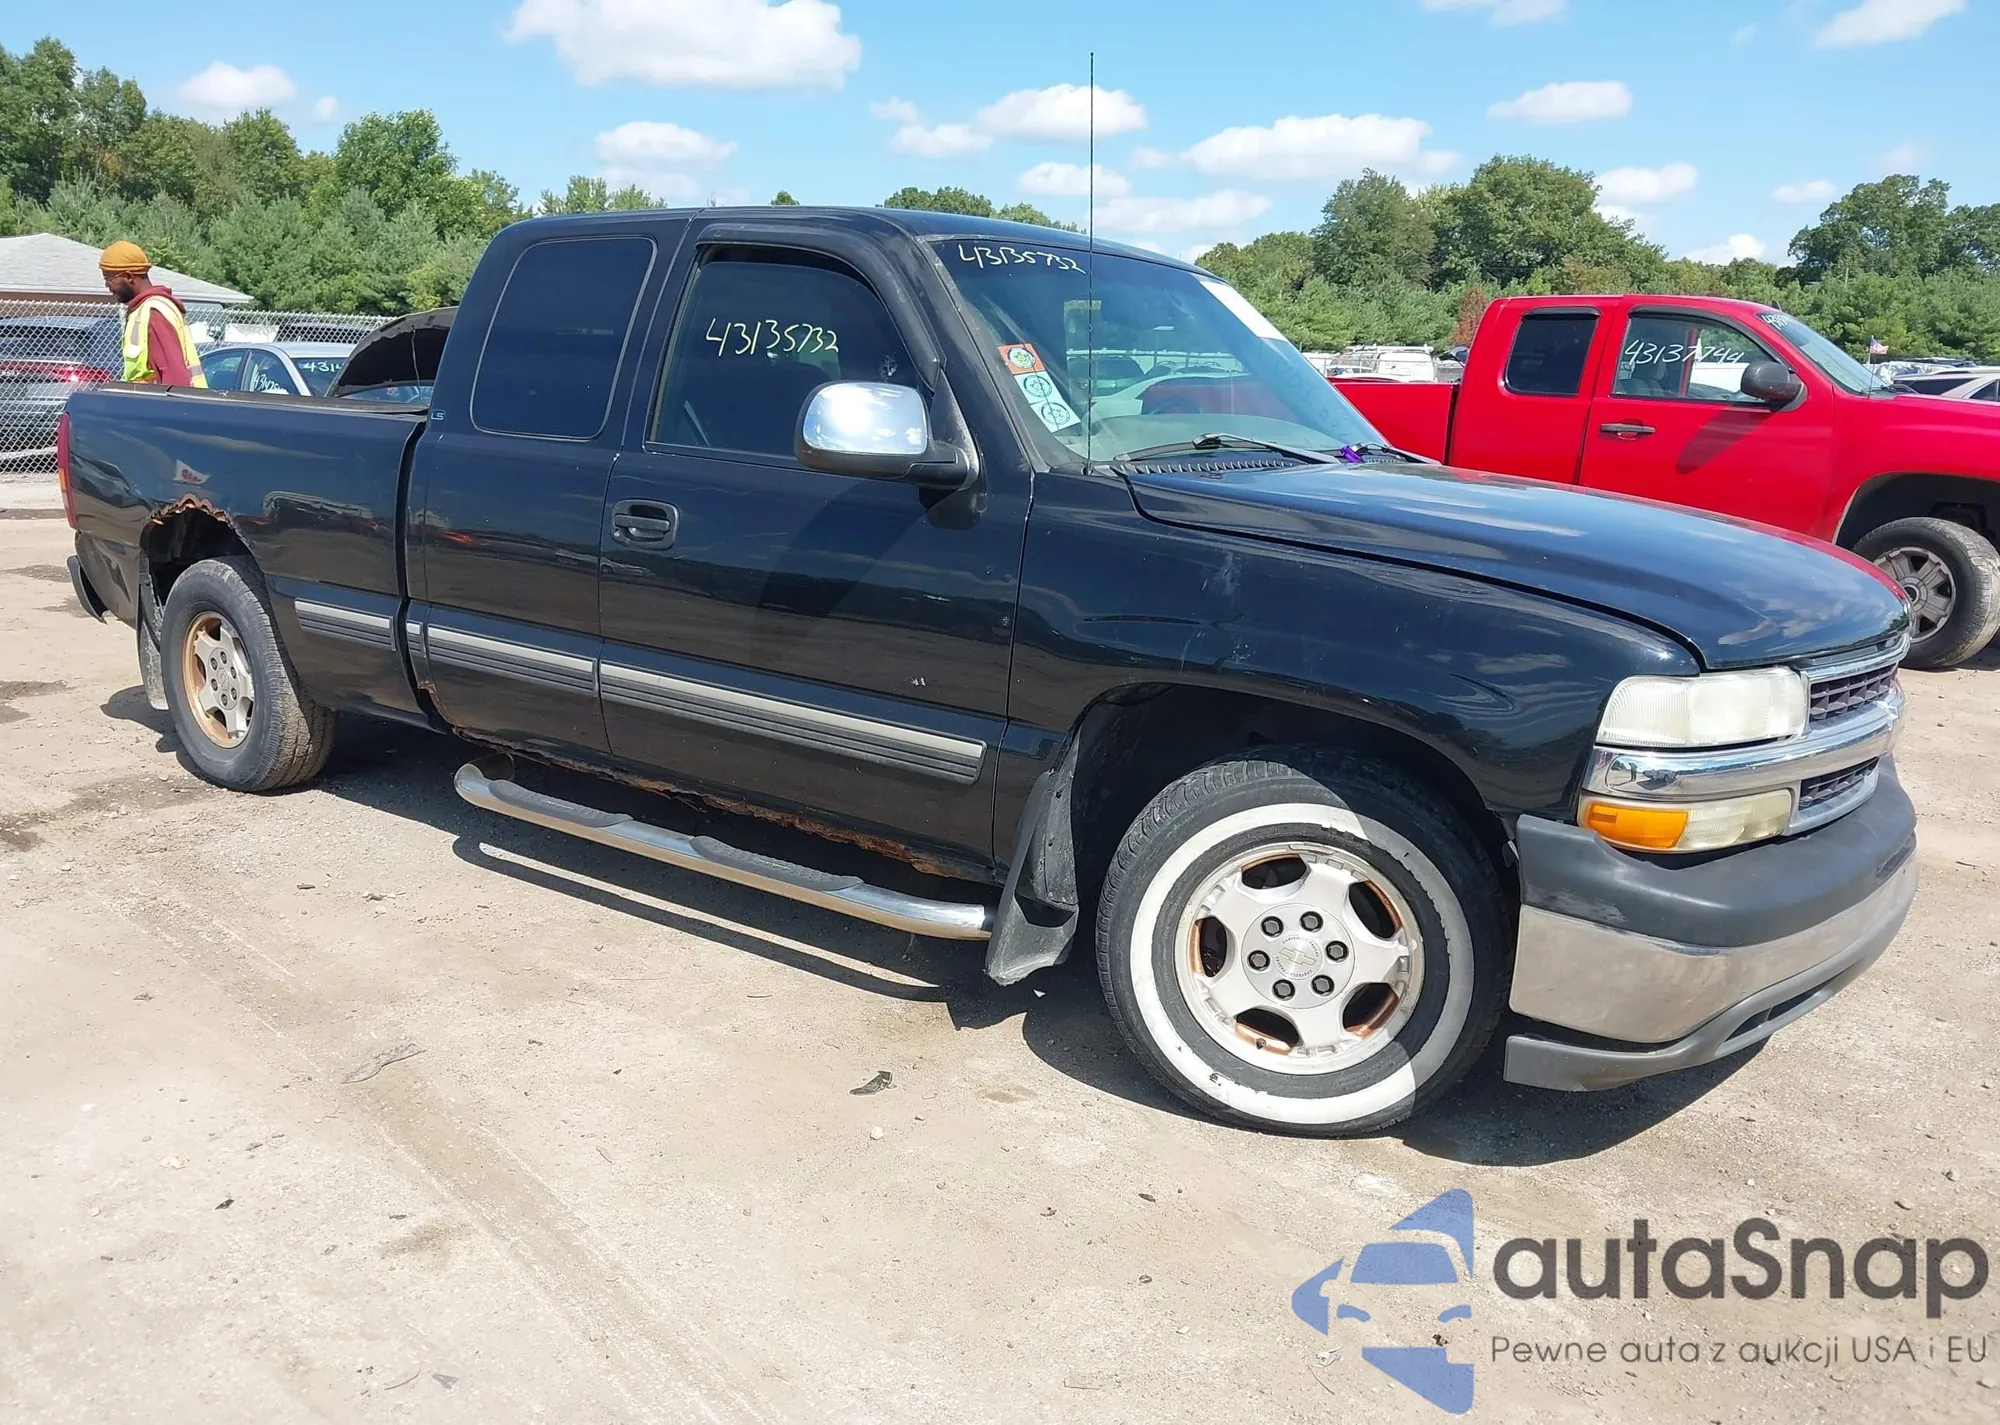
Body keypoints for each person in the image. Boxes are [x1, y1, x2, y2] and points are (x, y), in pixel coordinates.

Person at [98, 241, 207, 388]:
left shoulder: (154, 312)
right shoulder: (143, 309)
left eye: (109, 279)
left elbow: (174, 379)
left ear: (129, 276)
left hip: (167, 402)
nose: (107, 286)